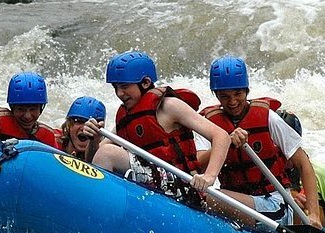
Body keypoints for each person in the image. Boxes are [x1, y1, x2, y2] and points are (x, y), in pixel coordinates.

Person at [83, 50, 231, 206]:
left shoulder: (169, 106)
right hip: (154, 180)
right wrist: (93, 140)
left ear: (145, 82)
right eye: (116, 87)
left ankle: (98, 207)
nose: (120, 93)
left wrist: (209, 176)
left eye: (125, 86)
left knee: (108, 153)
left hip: (182, 186)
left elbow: (221, 136)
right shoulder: (126, 117)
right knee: (105, 152)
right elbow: (95, 160)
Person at [196, 56, 322, 229]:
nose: (232, 102)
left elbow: (303, 163)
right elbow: (198, 162)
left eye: (238, 94)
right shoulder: (209, 124)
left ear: (246, 91)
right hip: (240, 203)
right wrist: (225, 142)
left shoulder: (269, 118)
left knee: (206, 197)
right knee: (194, 192)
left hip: (274, 204)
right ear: (216, 95)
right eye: (224, 96)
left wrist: (314, 215)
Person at [56, 96, 106, 161]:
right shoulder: (53, 139)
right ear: (68, 124)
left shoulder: (104, 154)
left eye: (92, 125)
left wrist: (94, 142)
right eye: (79, 121)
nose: (84, 128)